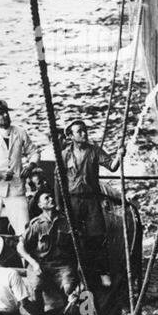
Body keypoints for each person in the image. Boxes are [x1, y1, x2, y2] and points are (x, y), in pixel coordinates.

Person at [61, 118, 123, 283]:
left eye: (84, 130)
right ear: (71, 136)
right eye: (79, 131)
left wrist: (119, 156)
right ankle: (77, 271)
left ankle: (103, 272)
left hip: (91, 200)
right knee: (73, 236)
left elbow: (112, 166)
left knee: (97, 234)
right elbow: (59, 181)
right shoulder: (65, 154)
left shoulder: (95, 151)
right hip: (73, 201)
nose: (84, 133)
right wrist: (61, 205)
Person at [18, 187, 82, 315]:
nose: (51, 199)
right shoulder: (36, 224)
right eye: (46, 198)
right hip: (40, 264)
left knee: (70, 288)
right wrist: (34, 264)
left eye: (51, 196)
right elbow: (20, 247)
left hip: (62, 265)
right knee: (35, 287)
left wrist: (78, 267)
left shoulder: (66, 221)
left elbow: (78, 246)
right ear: (40, 205)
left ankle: (67, 312)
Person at [0, 99, 38, 232]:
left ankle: (22, 251)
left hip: (16, 188)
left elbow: (34, 152)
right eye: (0, 114)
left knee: (24, 229)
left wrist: (30, 166)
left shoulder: (20, 132)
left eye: (5, 112)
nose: (5, 115)